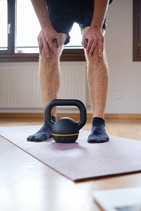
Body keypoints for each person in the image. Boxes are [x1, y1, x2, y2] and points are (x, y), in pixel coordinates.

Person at [27, 0, 113, 143]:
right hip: (58, 4)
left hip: (90, 4)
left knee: (95, 49)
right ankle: (49, 122)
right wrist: (45, 27)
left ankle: (98, 123)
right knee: (48, 49)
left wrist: (96, 27)